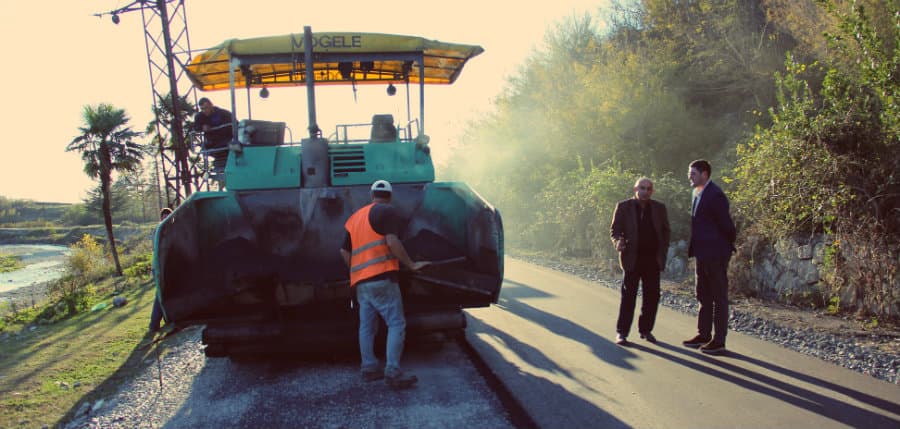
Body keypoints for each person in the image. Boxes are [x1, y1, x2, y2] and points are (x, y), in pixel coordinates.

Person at [340, 180, 430, 389]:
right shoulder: (388, 212)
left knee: (367, 327)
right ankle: (393, 372)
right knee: (396, 323)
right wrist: (411, 264)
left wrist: (357, 270)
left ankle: (369, 369)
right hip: (383, 279)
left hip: (362, 283)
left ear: (372, 195)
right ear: (389, 196)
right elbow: (392, 241)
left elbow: (343, 251)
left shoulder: (355, 218)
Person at [682, 159, 736, 355]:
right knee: (703, 295)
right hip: (702, 254)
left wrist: (724, 248)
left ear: (704, 174)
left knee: (718, 297)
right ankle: (703, 334)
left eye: (693, 173)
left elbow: (727, 226)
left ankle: (719, 340)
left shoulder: (716, 195)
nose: (689, 176)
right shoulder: (697, 193)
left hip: (716, 253)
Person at [610, 177, 671, 345]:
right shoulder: (624, 207)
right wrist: (618, 242)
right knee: (628, 297)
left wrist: (662, 254)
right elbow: (615, 230)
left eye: (648, 188)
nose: (644, 191)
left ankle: (646, 330)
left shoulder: (659, 208)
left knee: (652, 297)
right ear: (635, 189)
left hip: (652, 259)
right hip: (632, 258)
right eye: (641, 188)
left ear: (652, 191)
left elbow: (666, 232)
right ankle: (622, 332)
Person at [149, 207, 173, 332]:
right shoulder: (159, 230)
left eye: (168, 216)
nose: (166, 218)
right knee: (160, 294)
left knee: (166, 293)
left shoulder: (170, 229)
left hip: (166, 267)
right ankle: (154, 324)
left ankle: (167, 319)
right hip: (159, 267)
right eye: (164, 216)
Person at [194, 98, 233, 173]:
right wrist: (202, 127)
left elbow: (235, 124)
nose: (205, 111)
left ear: (211, 105)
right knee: (206, 147)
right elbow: (196, 127)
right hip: (212, 142)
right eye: (202, 109)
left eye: (206, 108)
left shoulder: (224, 113)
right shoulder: (199, 117)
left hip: (226, 139)